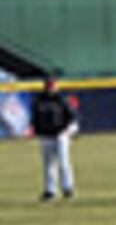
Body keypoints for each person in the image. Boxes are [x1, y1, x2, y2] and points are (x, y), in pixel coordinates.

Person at [27, 74, 81, 202]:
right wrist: (35, 129)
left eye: (52, 85)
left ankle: (68, 189)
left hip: (59, 134)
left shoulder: (61, 99)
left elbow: (73, 116)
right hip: (45, 135)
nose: (50, 87)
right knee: (49, 164)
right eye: (48, 85)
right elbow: (35, 117)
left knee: (64, 162)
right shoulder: (40, 100)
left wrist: (69, 130)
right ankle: (50, 191)